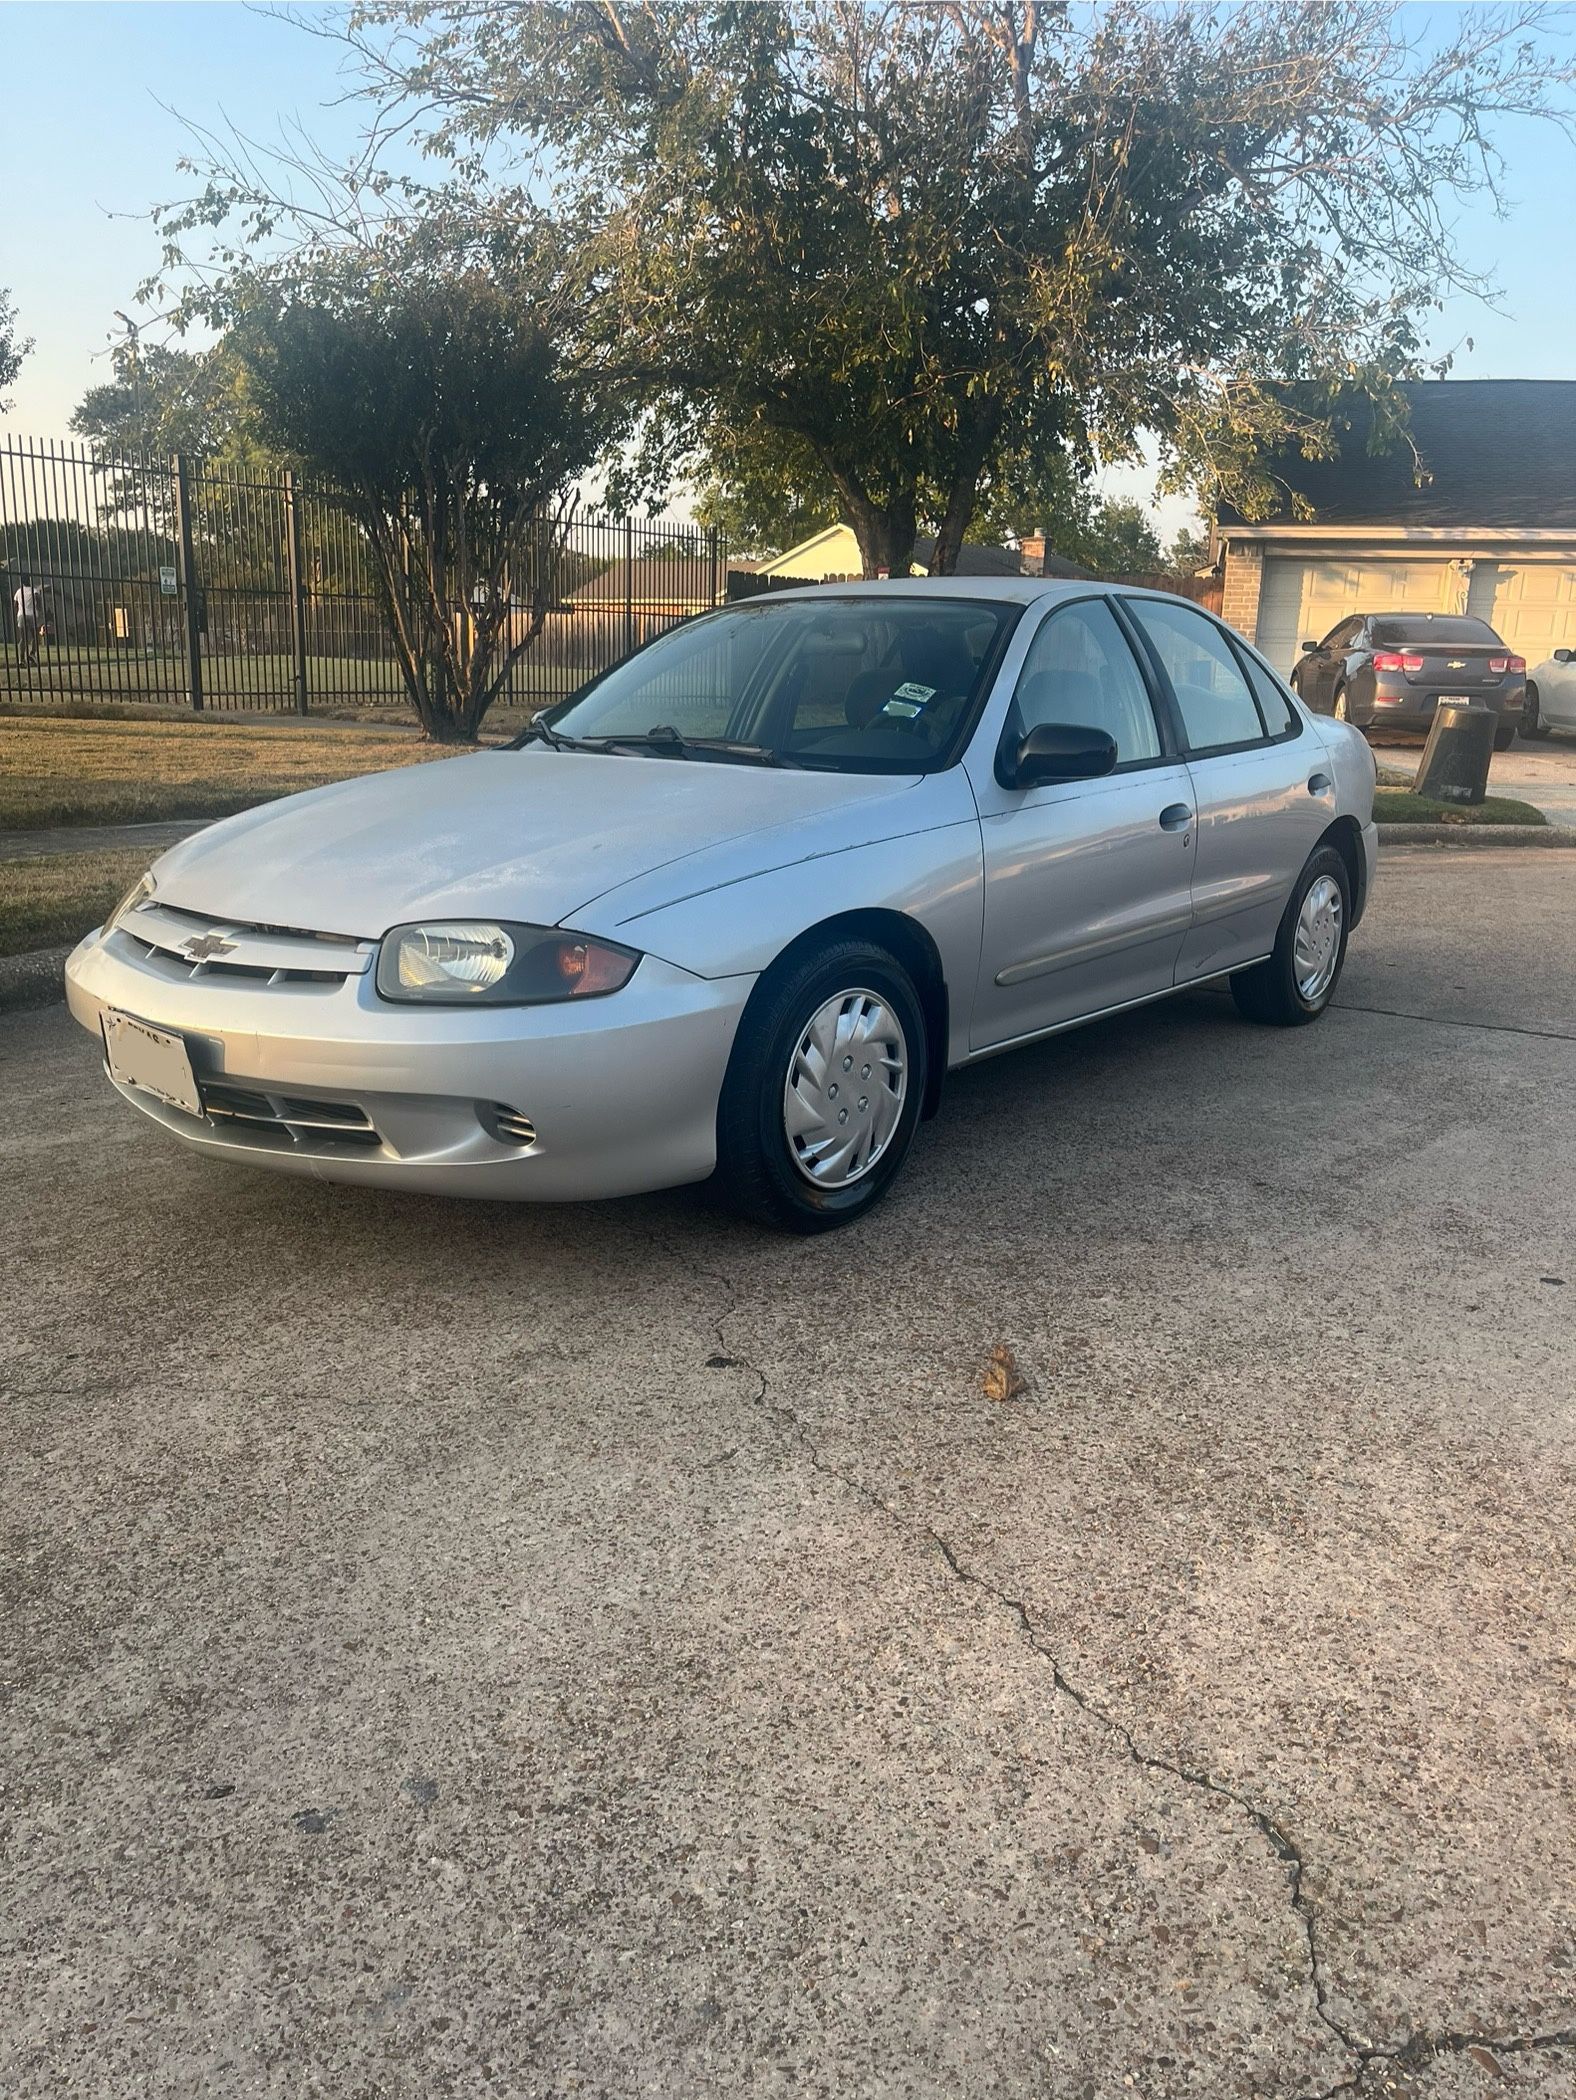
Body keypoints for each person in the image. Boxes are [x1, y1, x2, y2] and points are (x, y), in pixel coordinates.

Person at [13, 575, 46, 664]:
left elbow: (15, 604)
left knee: (23, 638)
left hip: (21, 615)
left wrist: (19, 611)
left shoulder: (19, 591)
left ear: (22, 582)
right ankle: (32, 653)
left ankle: (21, 659)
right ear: (29, 580)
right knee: (35, 635)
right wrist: (39, 611)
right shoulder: (34, 591)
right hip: (32, 615)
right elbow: (39, 601)